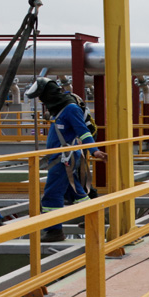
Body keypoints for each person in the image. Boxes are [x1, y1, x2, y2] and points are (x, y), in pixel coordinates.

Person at [25, 78, 107, 242]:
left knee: (52, 195)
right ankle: (93, 217)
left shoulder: (70, 109)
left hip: (64, 159)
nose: (42, 101)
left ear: (48, 95)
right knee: (75, 191)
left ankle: (54, 231)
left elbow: (83, 132)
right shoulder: (61, 108)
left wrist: (94, 151)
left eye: (42, 97)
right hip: (62, 158)